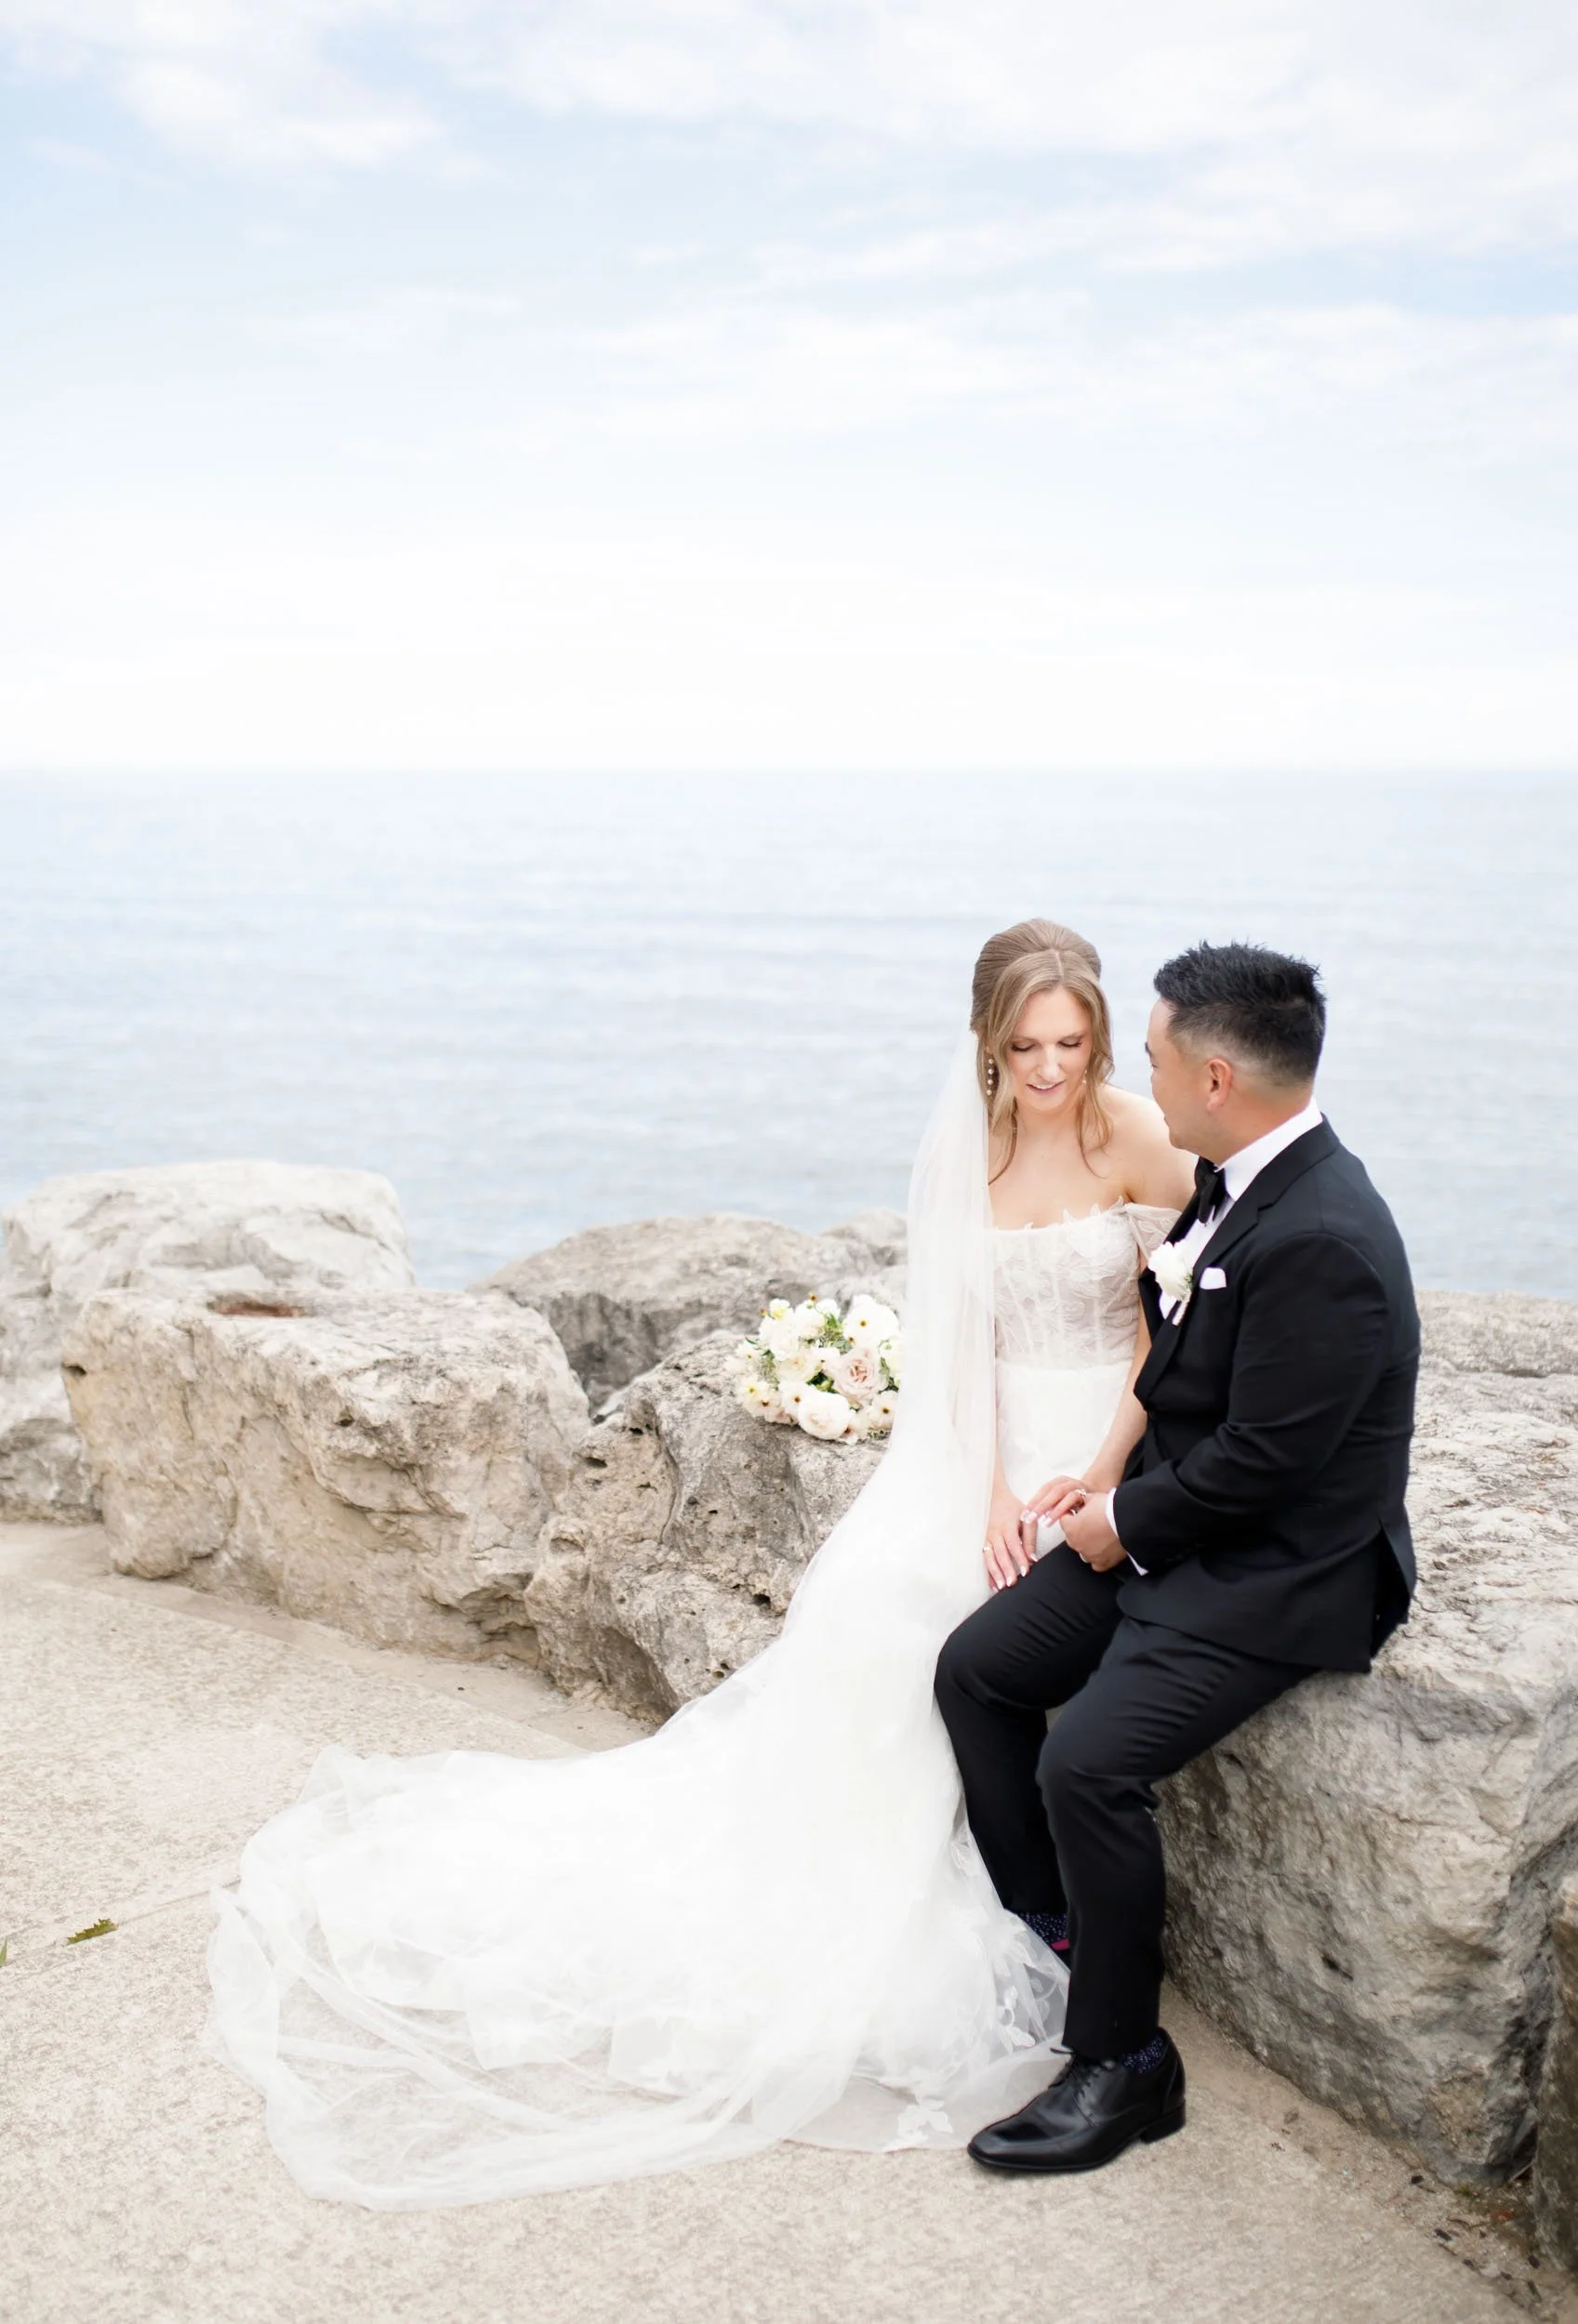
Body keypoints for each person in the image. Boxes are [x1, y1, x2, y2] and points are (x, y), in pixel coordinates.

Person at [205, 918, 1187, 2208]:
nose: (1051, 1069)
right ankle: (979, 1899)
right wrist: (997, 1491)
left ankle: (1029, 1908)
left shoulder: (1131, 1133)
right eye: (1026, 1047)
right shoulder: (967, 1150)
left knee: (958, 1640)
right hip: (992, 1444)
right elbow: (961, 1353)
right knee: (889, 1607)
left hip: (1109, 1442)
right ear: (988, 1045)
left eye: (1070, 1043)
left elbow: (1175, 1307)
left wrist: (1109, 1470)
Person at [935, 940, 1420, 2177]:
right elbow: (1182, 1362)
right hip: (1173, 1531)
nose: (1123, 1075)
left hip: (1274, 1573)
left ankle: (1123, 2061)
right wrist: (1109, 1480)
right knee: (979, 1667)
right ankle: (1055, 1938)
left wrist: (1124, 1524)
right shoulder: (1241, 1175)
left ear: (1213, 1077)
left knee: (1088, 1765)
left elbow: (1271, 1465)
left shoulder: (1326, 1236)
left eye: (1146, 1054)